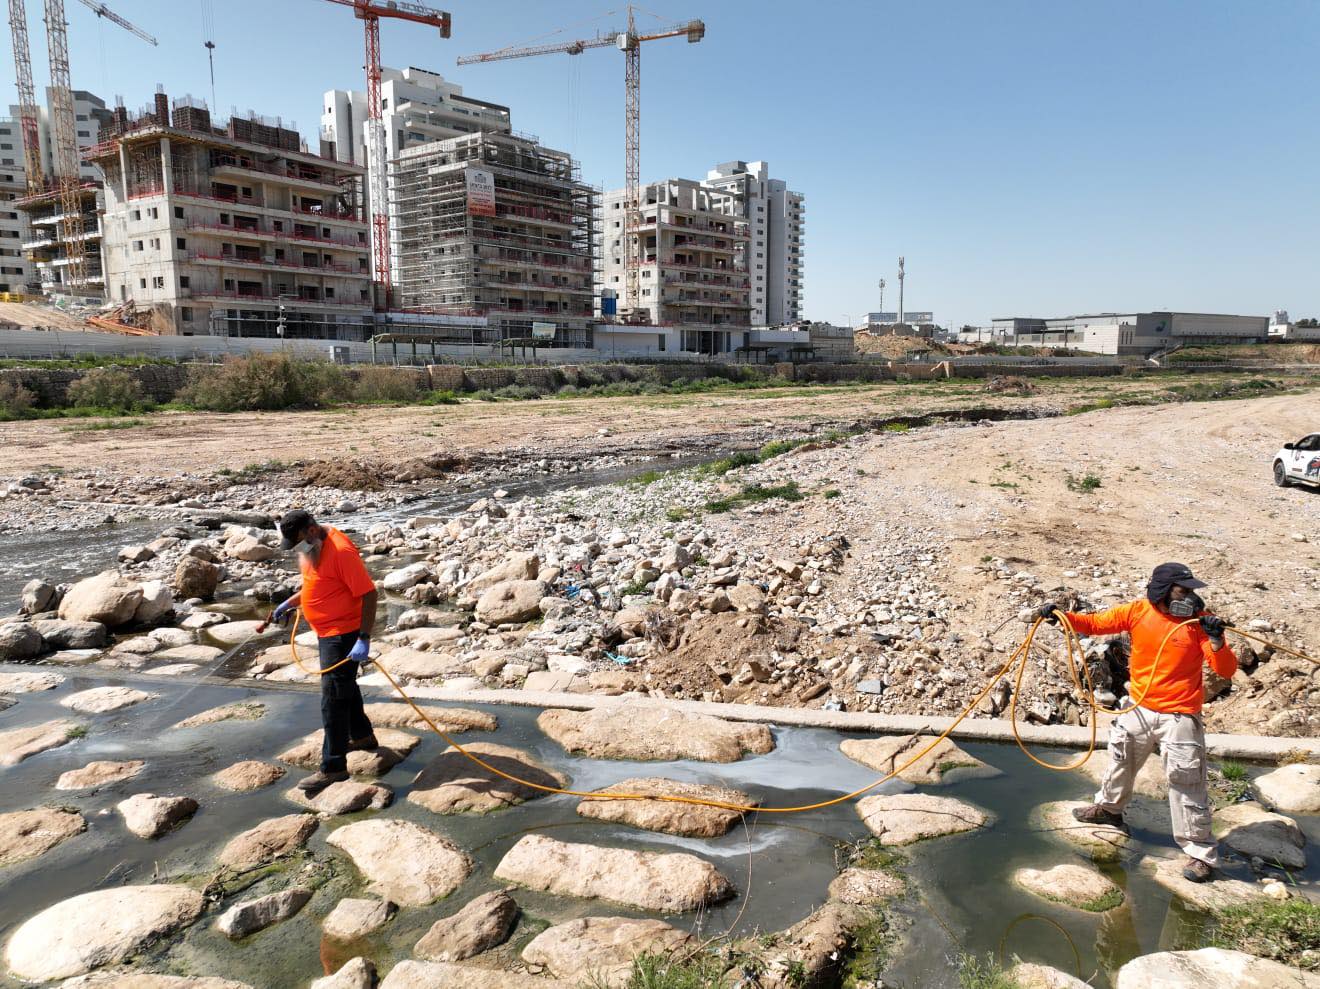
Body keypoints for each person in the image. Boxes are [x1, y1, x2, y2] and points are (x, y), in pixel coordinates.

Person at [1036, 562, 1237, 883]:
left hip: (1180, 715)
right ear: (1162, 591)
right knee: (1120, 760)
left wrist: (1216, 640)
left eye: (1191, 591)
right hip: (1139, 707)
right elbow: (1095, 623)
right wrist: (1060, 617)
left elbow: (1225, 670)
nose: (1190, 596)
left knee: (1186, 780)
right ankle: (1109, 810)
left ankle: (1200, 853)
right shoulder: (1137, 611)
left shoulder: (1199, 623)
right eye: (1183, 590)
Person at [272, 509, 379, 795]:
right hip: (326, 632)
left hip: (343, 634)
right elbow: (315, 585)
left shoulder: (341, 552)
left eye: (298, 543)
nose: (297, 550)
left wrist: (364, 638)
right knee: (344, 686)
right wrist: (290, 603)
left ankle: (333, 767)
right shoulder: (313, 549)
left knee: (332, 698)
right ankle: (363, 736)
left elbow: (369, 594)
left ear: (310, 531)